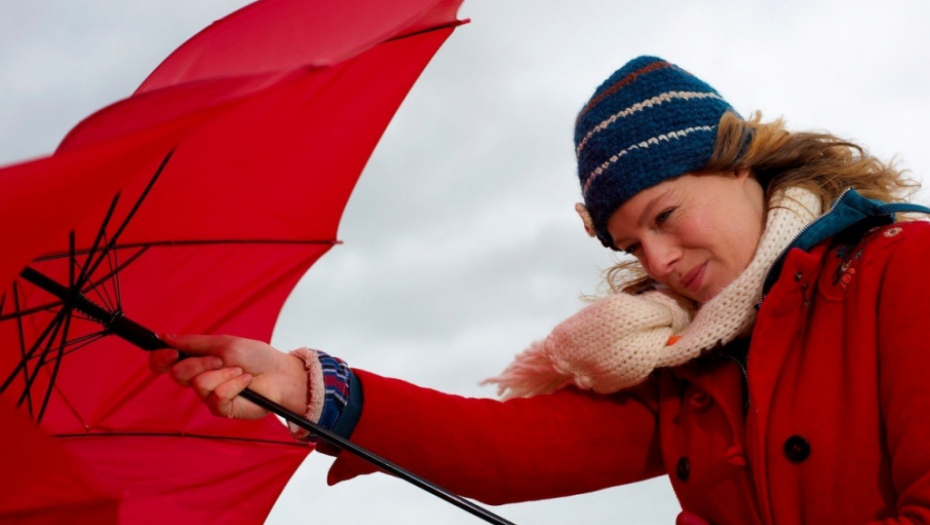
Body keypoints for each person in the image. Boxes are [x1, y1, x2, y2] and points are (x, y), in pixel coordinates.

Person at [149, 56, 930, 525]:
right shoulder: (682, 360)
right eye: (630, 243)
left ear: (737, 161)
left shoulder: (899, 266)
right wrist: (307, 390)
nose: (657, 260)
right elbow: (511, 448)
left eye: (664, 215)